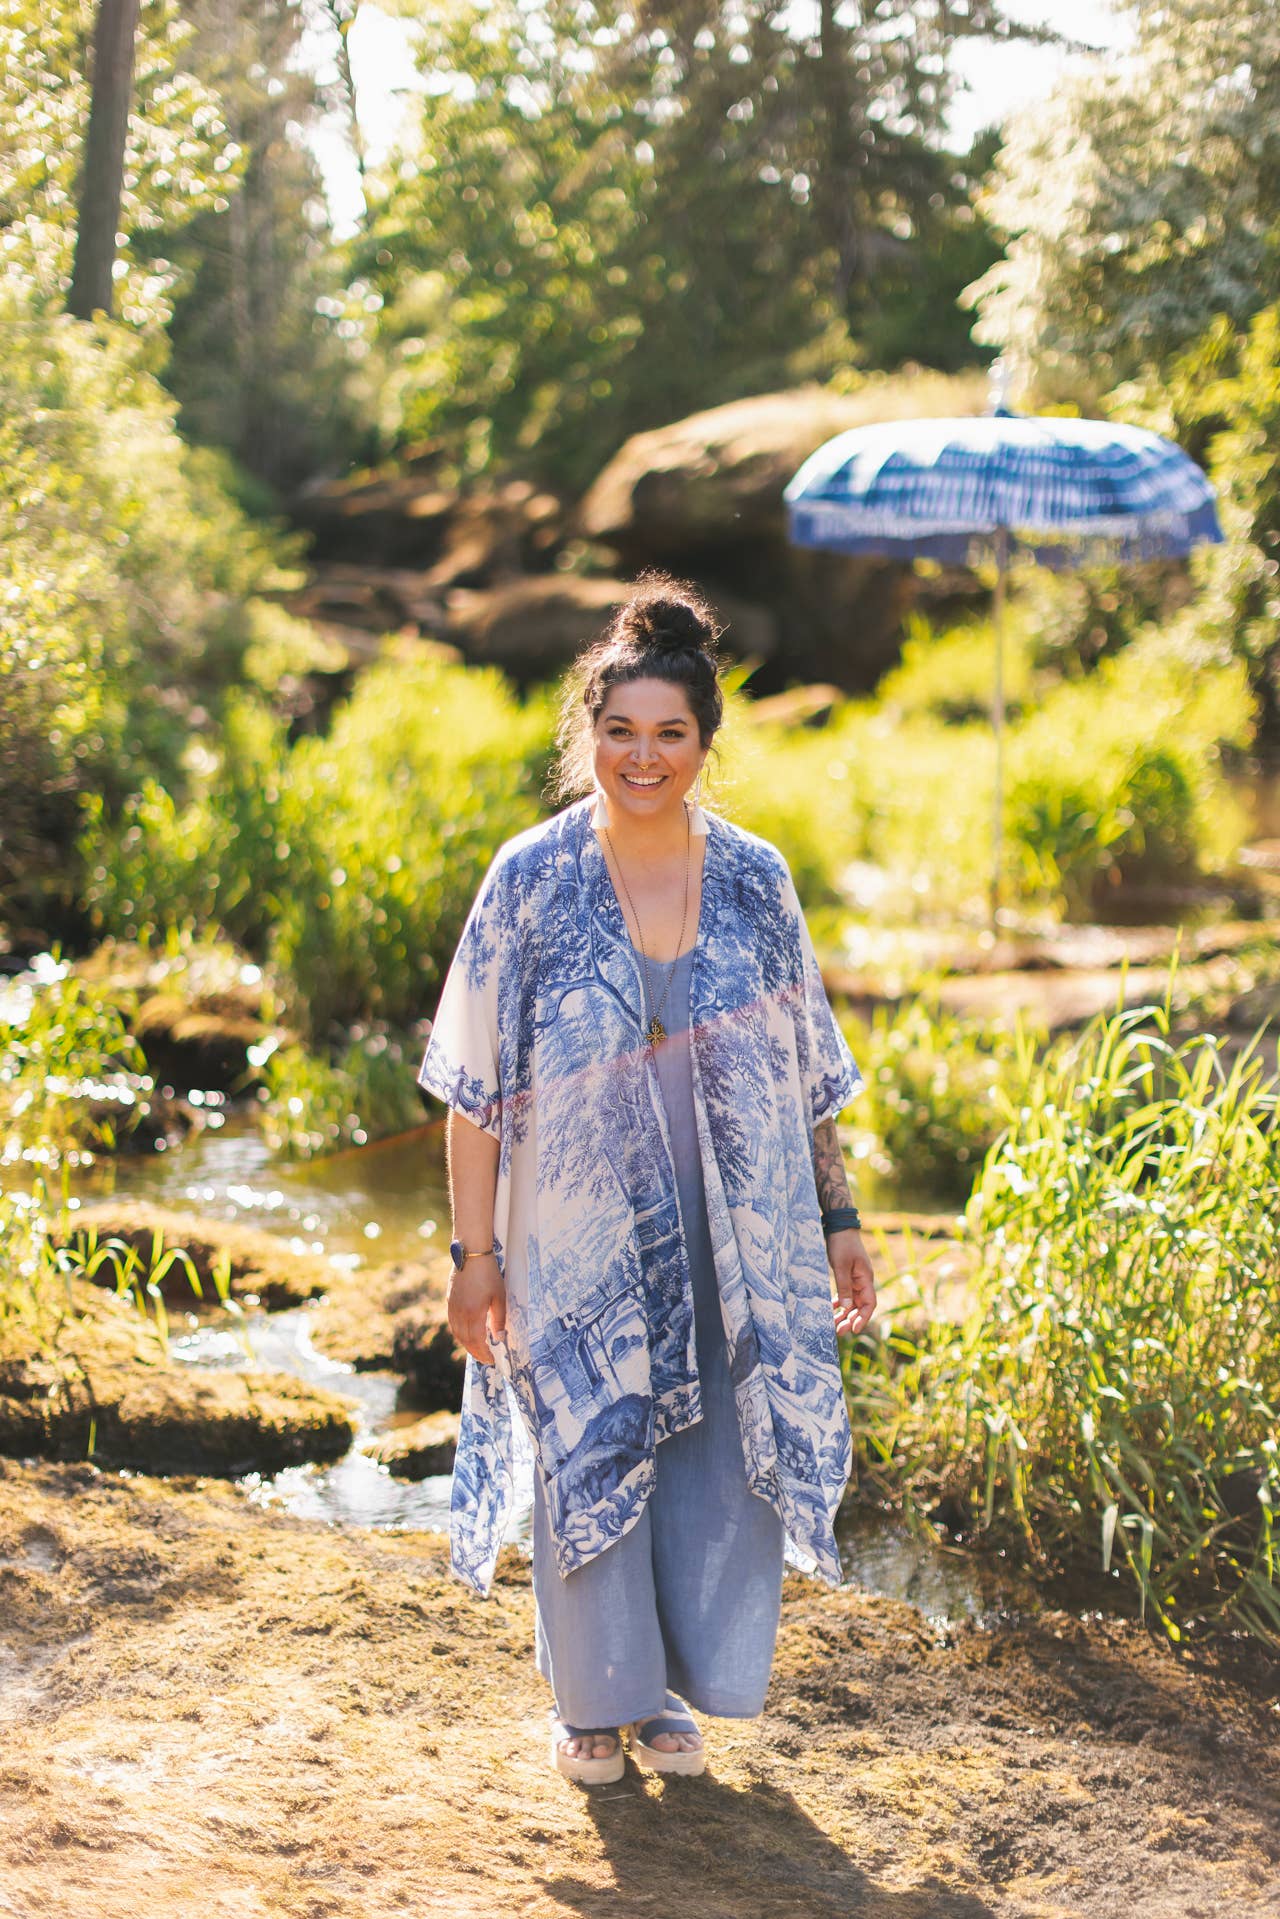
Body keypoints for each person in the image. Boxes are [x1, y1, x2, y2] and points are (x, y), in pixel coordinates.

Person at [417, 573, 876, 1785]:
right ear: (586, 733)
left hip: (740, 1212)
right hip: (572, 1222)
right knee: (591, 1421)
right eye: (619, 730)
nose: (642, 755)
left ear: (704, 743)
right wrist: (474, 1257)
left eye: (670, 732)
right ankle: (591, 1700)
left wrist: (838, 1219)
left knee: (716, 1442)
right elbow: (473, 1092)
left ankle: (671, 1684)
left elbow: (804, 1065)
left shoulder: (755, 879)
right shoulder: (528, 877)